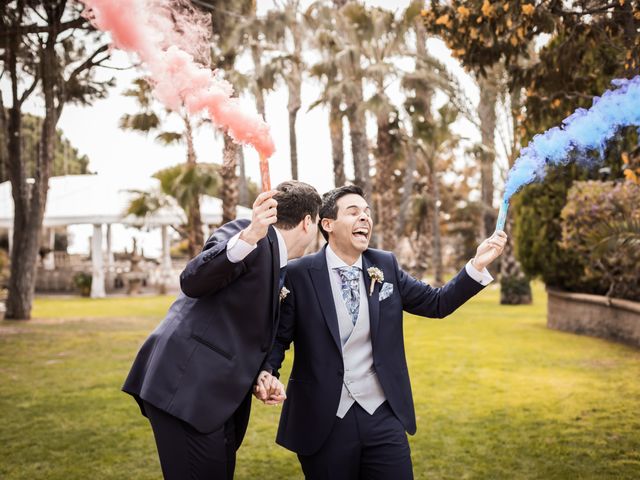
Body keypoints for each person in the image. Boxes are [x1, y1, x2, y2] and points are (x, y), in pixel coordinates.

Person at [259, 185, 507, 479]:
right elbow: (278, 337)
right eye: (353, 212)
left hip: (383, 414)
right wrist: (267, 372)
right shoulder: (300, 274)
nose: (364, 218)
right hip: (323, 418)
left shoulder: (385, 265)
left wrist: (476, 264)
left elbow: (437, 303)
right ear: (328, 225)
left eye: (367, 212)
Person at [123, 180, 321, 480]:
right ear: (308, 222)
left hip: (217, 397)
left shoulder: (282, 268)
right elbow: (193, 280)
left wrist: (264, 374)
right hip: (187, 388)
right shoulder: (247, 235)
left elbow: (249, 331)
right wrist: (250, 236)